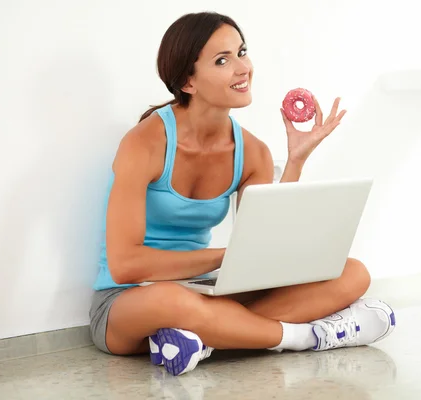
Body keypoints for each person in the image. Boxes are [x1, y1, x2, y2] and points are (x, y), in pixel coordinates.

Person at [89, 11, 396, 376]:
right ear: (188, 81)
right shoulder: (144, 143)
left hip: (204, 292)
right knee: (170, 298)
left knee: (352, 273)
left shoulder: (253, 152)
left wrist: (295, 161)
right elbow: (125, 266)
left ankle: (199, 340)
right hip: (131, 299)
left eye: (242, 52)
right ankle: (306, 337)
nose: (243, 68)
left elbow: (263, 248)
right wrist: (222, 257)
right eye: (223, 60)